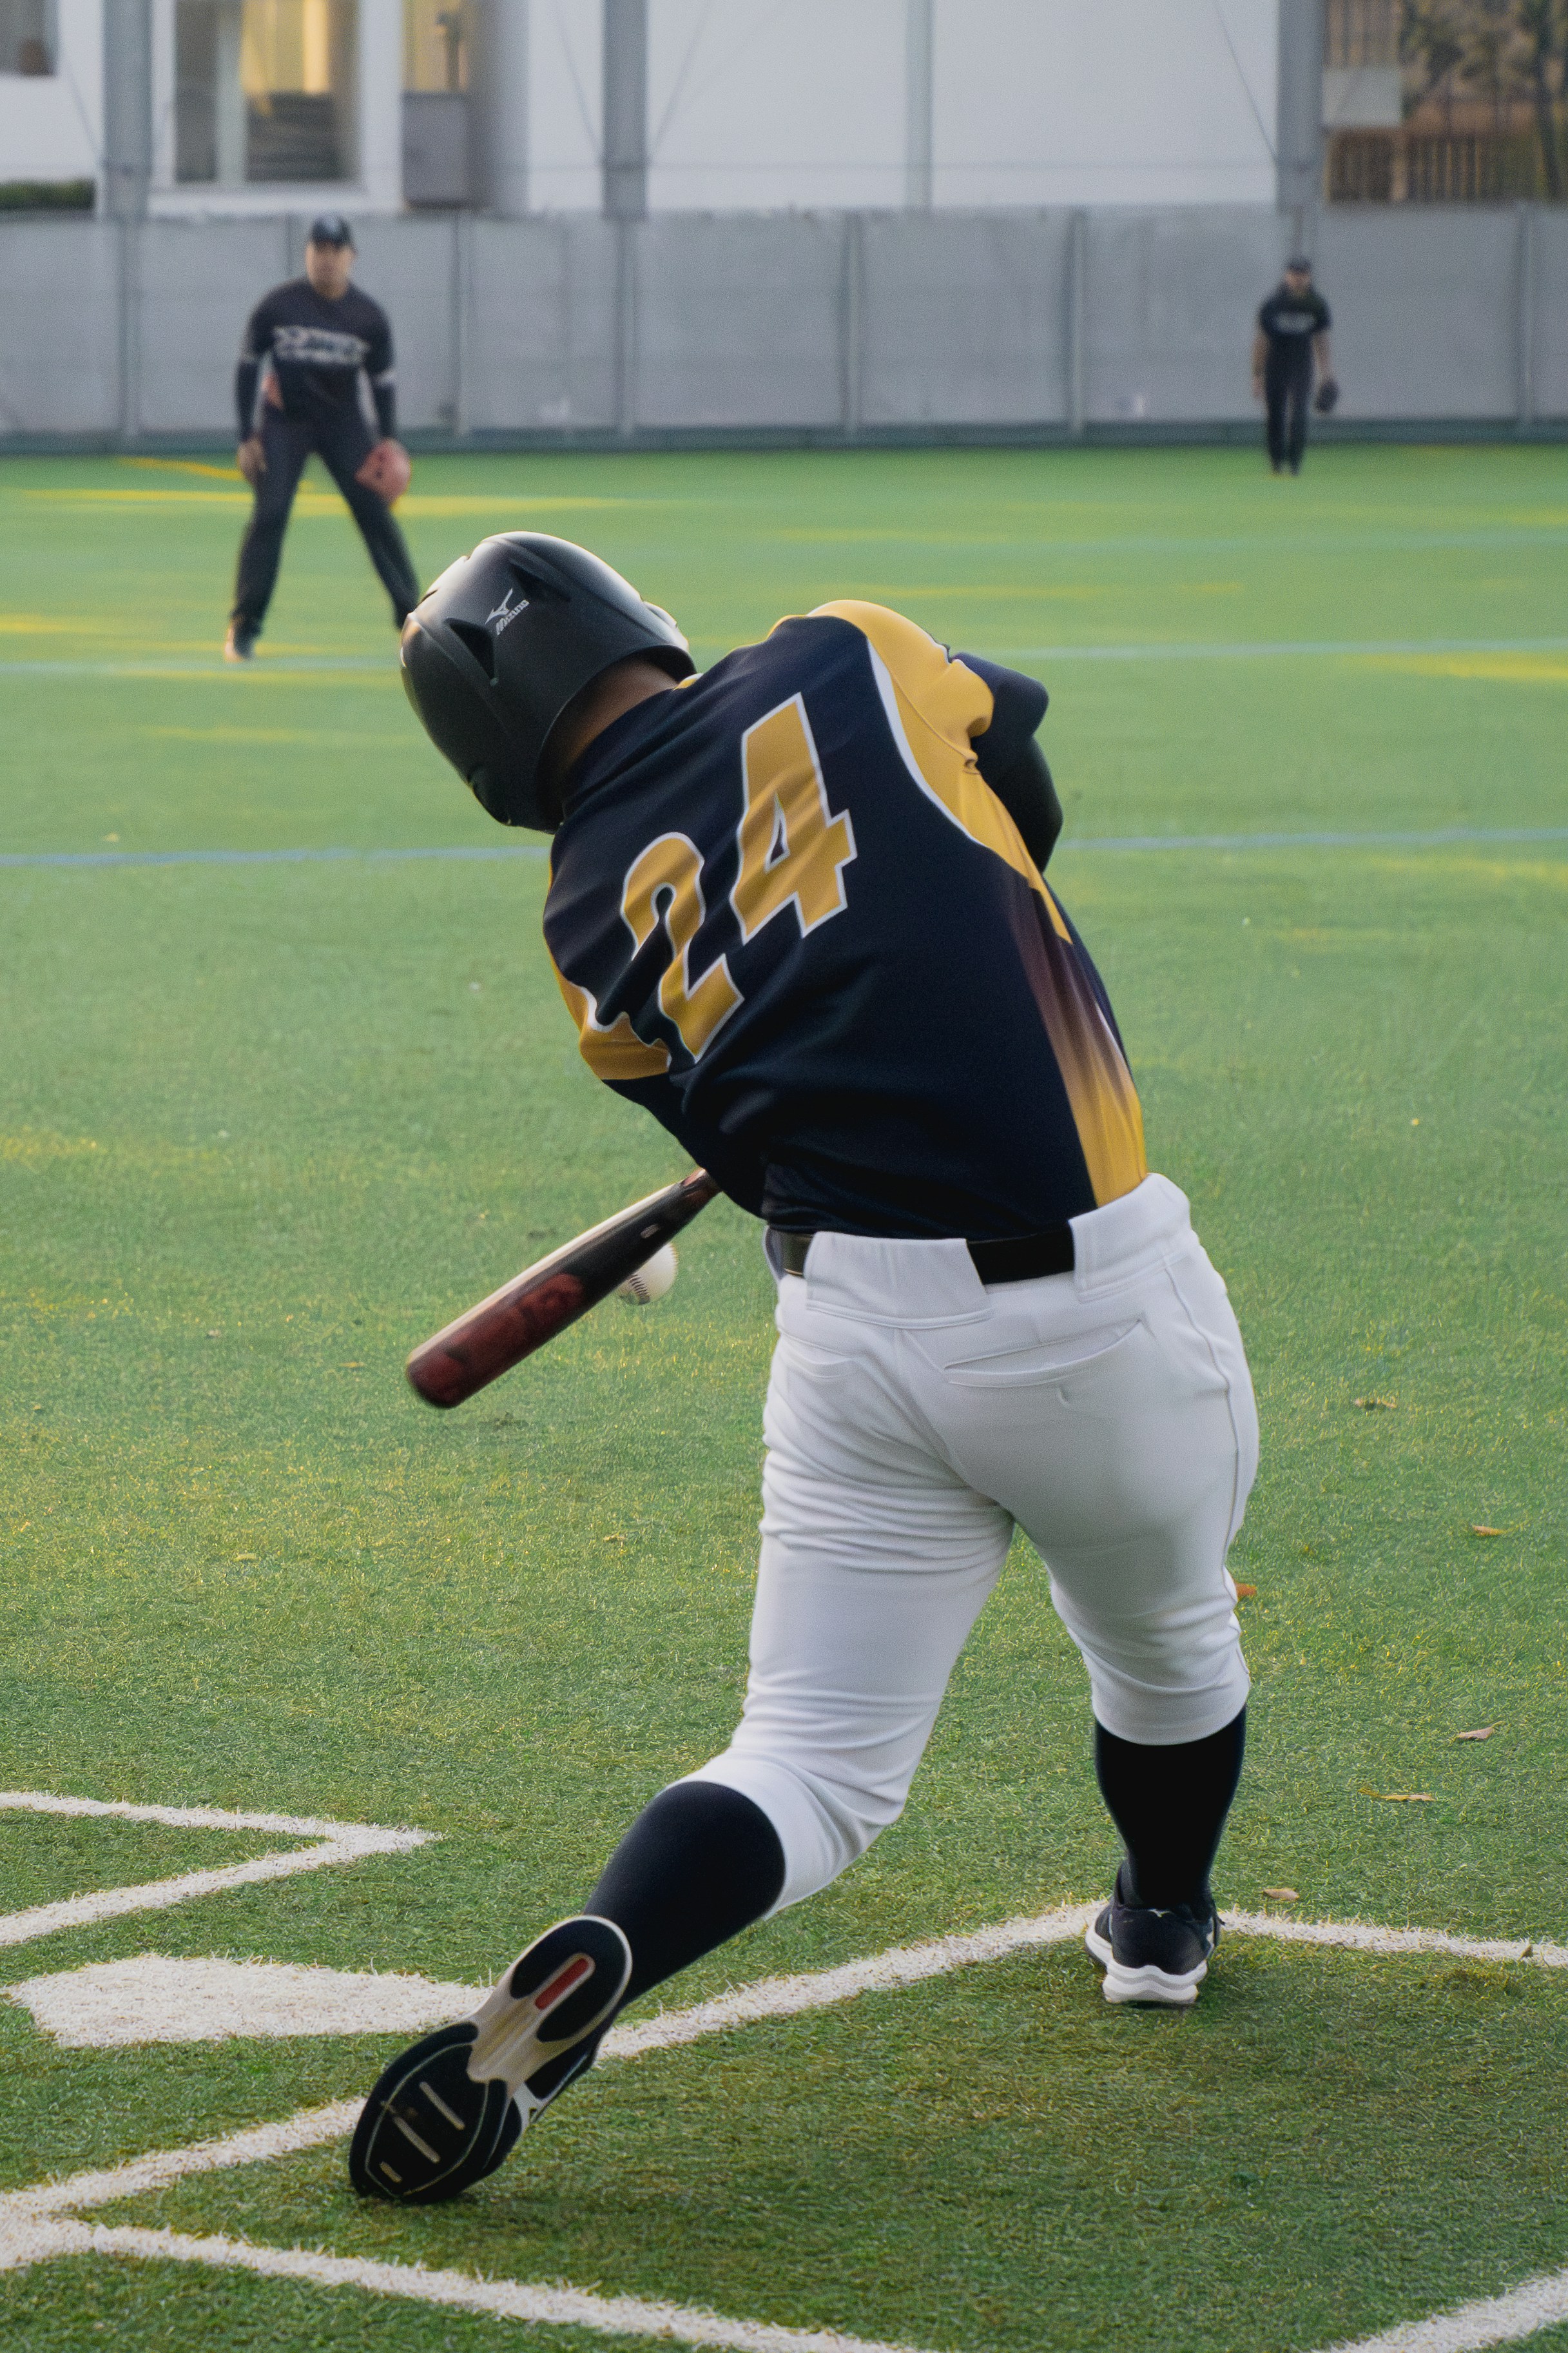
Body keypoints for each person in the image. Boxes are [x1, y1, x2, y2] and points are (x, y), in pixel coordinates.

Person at [349, 536, 1259, 2205]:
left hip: (853, 1338)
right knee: (1170, 1651)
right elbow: (1019, 783)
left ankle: (611, 1942)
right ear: (627, 618)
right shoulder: (845, 648)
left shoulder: (582, 930)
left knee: (808, 1760)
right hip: (1095, 1308)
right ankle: (1158, 1924)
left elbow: (756, 1156)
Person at [225, 215, 419, 662]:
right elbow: (248, 366)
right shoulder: (279, 307)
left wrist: (388, 441)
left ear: (351, 256)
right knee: (270, 514)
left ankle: (411, 623)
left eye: (335, 250)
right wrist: (245, 436)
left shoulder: (367, 317)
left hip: (343, 423)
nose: (326, 259)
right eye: (318, 249)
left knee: (375, 514)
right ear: (307, 253)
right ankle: (244, 626)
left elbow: (382, 383)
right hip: (284, 423)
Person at [1252, 257, 1335, 476]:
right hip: (1276, 364)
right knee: (1275, 414)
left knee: (1299, 413)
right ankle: (1276, 461)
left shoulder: (1316, 304)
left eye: (1303, 275)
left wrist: (1325, 372)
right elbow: (1262, 341)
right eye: (1294, 274)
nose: (1298, 279)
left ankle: (1295, 462)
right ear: (1286, 276)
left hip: (1302, 364)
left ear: (1309, 276)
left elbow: (1321, 339)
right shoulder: (1273, 304)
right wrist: (1257, 375)